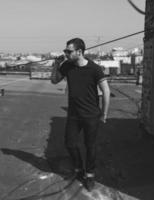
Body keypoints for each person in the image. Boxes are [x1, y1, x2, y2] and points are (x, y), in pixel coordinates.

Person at [50, 38, 110, 191]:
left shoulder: (94, 69)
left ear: (79, 52)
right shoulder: (67, 66)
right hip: (74, 114)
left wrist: (104, 113)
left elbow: (106, 91)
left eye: (69, 51)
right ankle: (79, 169)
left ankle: (90, 175)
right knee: (70, 143)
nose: (66, 53)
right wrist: (56, 64)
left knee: (90, 146)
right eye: (65, 51)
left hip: (91, 115)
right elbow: (54, 80)